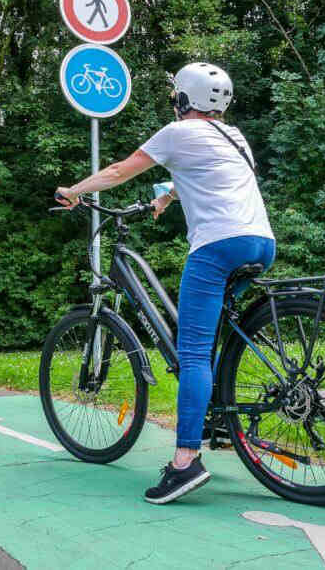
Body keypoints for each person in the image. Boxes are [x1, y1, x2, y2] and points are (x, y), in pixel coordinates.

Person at [54, 62, 276, 504]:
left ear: (182, 99)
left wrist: (73, 191)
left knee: (191, 352)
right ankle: (219, 419)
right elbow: (206, 174)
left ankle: (184, 463)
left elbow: (118, 171)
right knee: (212, 337)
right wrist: (167, 196)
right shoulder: (234, 136)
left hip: (217, 247)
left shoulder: (177, 133)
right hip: (261, 243)